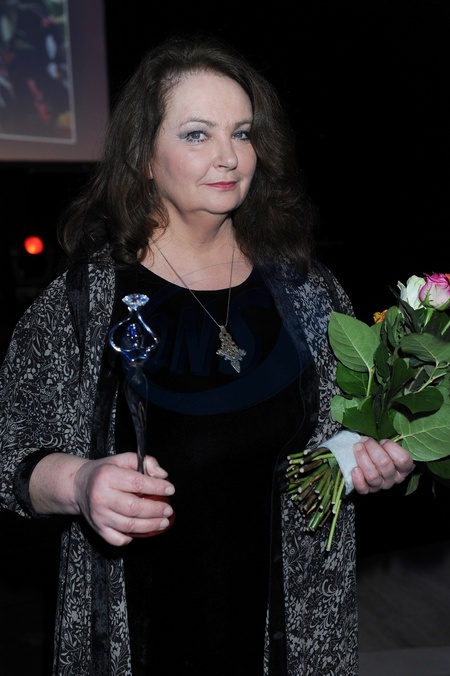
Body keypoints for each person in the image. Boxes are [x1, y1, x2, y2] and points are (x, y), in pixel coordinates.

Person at [0, 33, 415, 676]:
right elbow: (12, 454)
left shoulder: (306, 291)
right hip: (144, 639)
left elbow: (342, 436)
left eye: (242, 133)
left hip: (286, 641)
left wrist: (370, 459)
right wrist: (80, 483)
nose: (229, 156)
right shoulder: (84, 303)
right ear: (144, 157)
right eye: (197, 134)